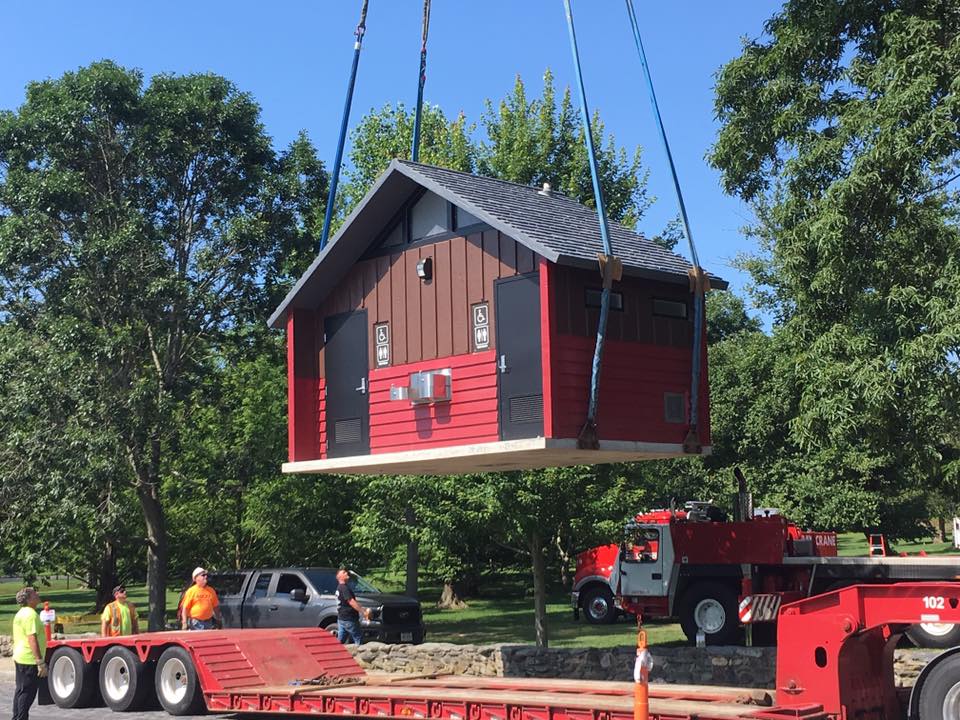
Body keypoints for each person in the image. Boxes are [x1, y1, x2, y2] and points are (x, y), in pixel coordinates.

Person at [11, 587, 47, 720]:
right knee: (27, 693)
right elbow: (32, 638)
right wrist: (40, 661)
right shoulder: (30, 615)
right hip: (29, 659)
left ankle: (17, 717)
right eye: (34, 593)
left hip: (20, 657)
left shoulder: (21, 613)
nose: (37, 594)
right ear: (29, 598)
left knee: (20, 691)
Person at [335, 567, 371, 645]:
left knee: (340, 641)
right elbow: (351, 601)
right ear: (339, 577)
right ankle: (360, 655)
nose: (346, 573)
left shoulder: (339, 588)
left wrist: (361, 607)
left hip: (341, 618)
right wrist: (362, 611)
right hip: (349, 619)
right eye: (344, 573)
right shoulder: (344, 588)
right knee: (358, 638)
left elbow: (347, 602)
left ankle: (334, 653)